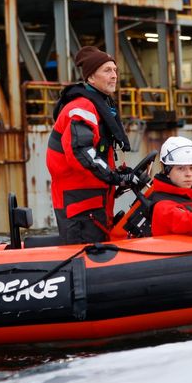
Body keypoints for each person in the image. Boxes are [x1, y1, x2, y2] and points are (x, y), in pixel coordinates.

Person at [46, 45, 132, 243]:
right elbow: (81, 152)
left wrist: (123, 175)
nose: (114, 76)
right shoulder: (82, 107)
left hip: (92, 205)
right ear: (91, 78)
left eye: (115, 70)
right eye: (107, 70)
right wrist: (114, 177)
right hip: (81, 208)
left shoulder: (96, 105)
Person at [110, 136, 192, 239]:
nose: (189, 174)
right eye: (181, 168)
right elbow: (191, 222)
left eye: (191, 168)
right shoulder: (162, 207)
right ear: (167, 171)